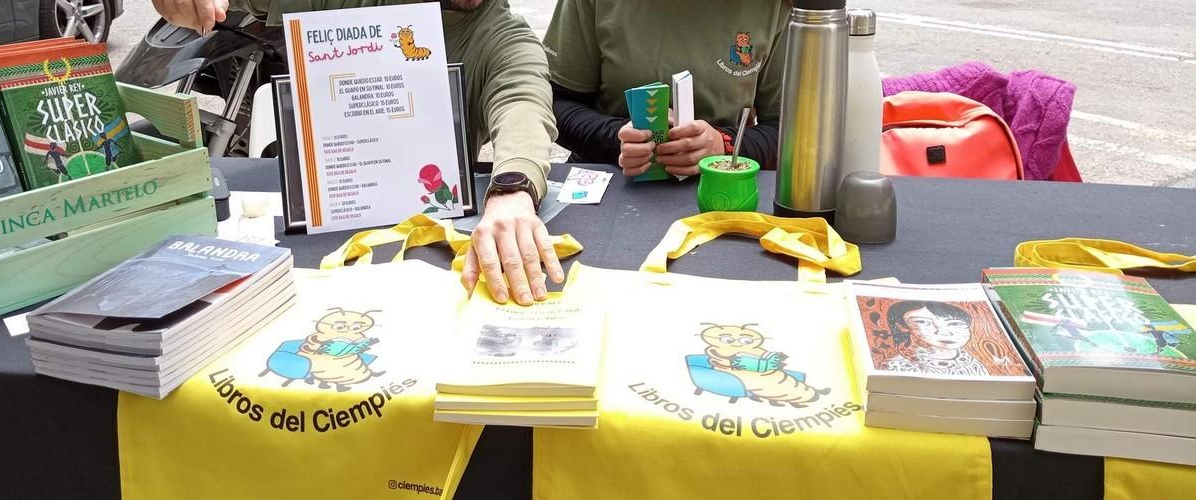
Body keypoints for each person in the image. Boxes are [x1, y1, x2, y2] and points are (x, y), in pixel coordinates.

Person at [152, 0, 563, 306]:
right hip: (313, 251)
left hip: (423, 260)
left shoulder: (500, 36)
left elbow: (523, 104)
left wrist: (513, 189)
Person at [542, 0, 789, 177]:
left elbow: (792, 133)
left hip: (723, 184)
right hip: (608, 179)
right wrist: (616, 137)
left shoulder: (777, 7)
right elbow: (553, 103)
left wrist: (722, 145)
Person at [883, 301, 989, 376]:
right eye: (923, 322)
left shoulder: (971, 361)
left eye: (955, 323)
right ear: (902, 326)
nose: (944, 332)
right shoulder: (899, 366)